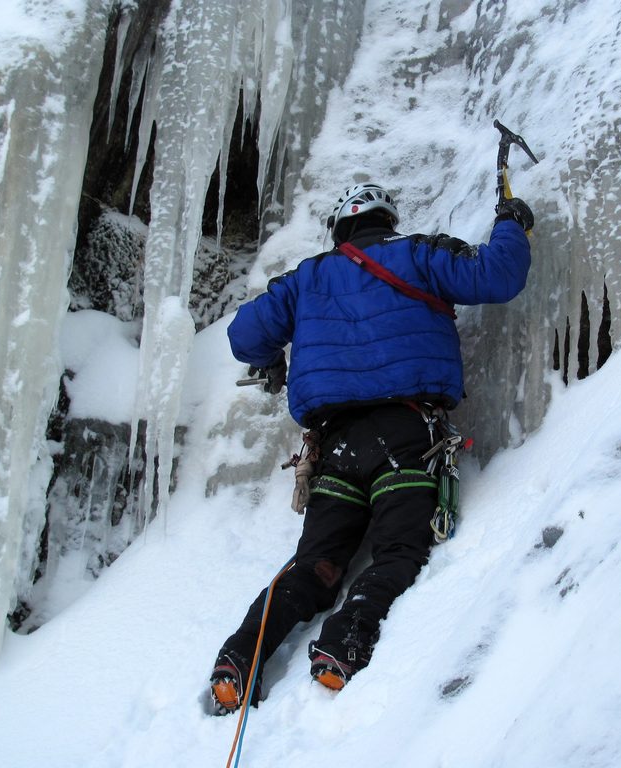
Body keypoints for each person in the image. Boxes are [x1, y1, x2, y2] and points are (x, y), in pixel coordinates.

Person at [209, 182, 533, 714]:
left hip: (335, 447)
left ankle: (238, 657)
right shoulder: (419, 254)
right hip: (405, 437)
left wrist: (273, 356)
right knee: (399, 551)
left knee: (313, 563)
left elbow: (245, 336)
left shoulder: (306, 279)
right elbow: (496, 275)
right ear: (388, 220)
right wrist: (511, 219)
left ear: (341, 231)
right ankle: (343, 641)